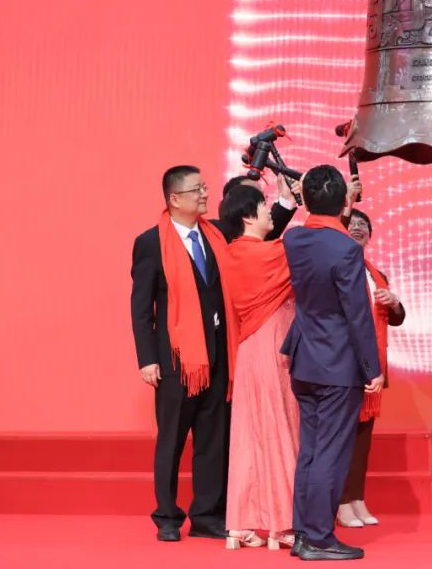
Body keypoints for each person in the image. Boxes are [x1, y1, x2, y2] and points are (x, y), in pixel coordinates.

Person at [281, 165, 384, 561]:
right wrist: (372, 367)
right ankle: (319, 538)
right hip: (338, 364)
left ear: (305, 200)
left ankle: (304, 534)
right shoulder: (346, 249)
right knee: (330, 454)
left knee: (310, 452)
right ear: (344, 202)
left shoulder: (293, 239)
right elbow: (357, 314)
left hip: (305, 359)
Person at [130, 165, 234, 542]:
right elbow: (142, 307)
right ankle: (167, 516)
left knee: (213, 440)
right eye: (197, 190)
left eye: (205, 187)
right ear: (175, 199)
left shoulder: (216, 234)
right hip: (175, 360)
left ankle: (206, 514)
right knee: (172, 440)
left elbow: (260, 233)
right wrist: (147, 359)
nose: (205, 194)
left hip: (218, 356)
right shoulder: (150, 243)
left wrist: (286, 203)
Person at [217, 184, 299, 550]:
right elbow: (307, 246)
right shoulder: (269, 253)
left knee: (248, 436)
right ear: (249, 216)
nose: (270, 211)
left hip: (249, 350)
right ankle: (282, 522)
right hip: (272, 346)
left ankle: (241, 523)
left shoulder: (233, 252)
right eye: (264, 206)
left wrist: (287, 201)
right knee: (282, 429)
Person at [337, 204, 406, 528]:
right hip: (345, 365)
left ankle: (356, 497)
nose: (357, 228)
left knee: (362, 439)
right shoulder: (338, 267)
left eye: (363, 225)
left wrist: (395, 303)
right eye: (352, 223)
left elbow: (396, 318)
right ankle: (339, 501)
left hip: (372, 366)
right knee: (342, 438)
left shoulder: (376, 273)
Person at [214, 172, 297, 242]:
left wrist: (287, 198)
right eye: (255, 199)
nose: (268, 210)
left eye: (262, 199)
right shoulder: (218, 239)